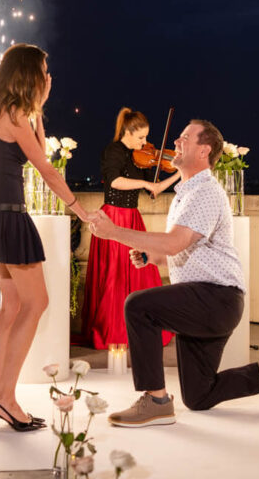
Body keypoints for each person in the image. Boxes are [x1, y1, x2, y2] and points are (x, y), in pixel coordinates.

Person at [88, 119, 259, 427]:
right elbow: (182, 253)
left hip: (215, 299)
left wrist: (113, 232)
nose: (175, 142)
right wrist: (154, 258)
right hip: (204, 300)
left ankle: (156, 400)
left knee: (138, 305)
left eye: (184, 138)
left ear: (204, 150)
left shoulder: (204, 192)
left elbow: (176, 243)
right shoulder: (185, 194)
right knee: (199, 395)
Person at [0, 43, 95, 431]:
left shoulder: (2, 111)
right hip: (9, 215)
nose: (45, 77)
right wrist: (80, 210)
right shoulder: (16, 114)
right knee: (37, 303)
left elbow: (37, 147)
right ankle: (5, 397)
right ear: (29, 74)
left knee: (12, 307)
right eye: (43, 71)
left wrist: (40, 108)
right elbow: (48, 171)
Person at [80, 108, 180, 349]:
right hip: (112, 218)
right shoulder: (113, 151)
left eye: (146, 138)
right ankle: (112, 331)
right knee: (114, 273)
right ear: (127, 131)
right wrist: (146, 181)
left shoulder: (142, 155)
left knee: (140, 274)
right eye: (141, 138)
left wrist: (179, 173)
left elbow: (154, 188)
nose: (145, 143)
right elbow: (114, 181)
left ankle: (137, 329)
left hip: (132, 218)